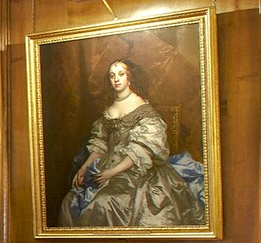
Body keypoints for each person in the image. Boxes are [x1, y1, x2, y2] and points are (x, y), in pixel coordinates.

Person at [56, 59, 201, 228]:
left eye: (121, 74)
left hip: (136, 171)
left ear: (130, 77)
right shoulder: (109, 109)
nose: (116, 79)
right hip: (107, 165)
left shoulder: (144, 111)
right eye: (112, 75)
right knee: (70, 200)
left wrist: (111, 173)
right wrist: (84, 167)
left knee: (105, 202)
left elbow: (142, 151)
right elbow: (101, 144)